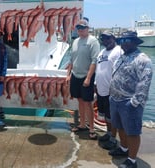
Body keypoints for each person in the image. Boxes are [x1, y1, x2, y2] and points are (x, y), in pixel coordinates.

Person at [109, 31, 153, 168]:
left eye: (127, 40)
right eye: (121, 41)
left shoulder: (143, 59)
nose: (124, 43)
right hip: (115, 99)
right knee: (120, 127)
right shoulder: (121, 57)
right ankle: (123, 149)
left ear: (135, 42)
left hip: (129, 102)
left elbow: (144, 83)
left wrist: (134, 103)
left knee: (132, 132)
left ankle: (132, 160)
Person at [66, 19, 100, 139]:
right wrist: (68, 74)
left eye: (82, 28)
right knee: (79, 100)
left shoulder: (93, 41)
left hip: (86, 76)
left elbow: (94, 60)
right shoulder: (75, 41)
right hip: (75, 75)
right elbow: (71, 59)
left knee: (88, 103)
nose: (80, 30)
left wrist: (88, 78)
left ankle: (91, 128)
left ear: (87, 28)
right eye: (78, 28)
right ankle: (82, 124)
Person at [95, 31, 122, 150]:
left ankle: (113, 139)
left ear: (113, 38)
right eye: (103, 39)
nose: (105, 41)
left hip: (111, 90)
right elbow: (99, 69)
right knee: (106, 116)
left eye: (107, 38)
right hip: (101, 89)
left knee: (113, 117)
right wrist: (95, 84)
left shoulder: (118, 51)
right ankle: (109, 133)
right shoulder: (102, 52)